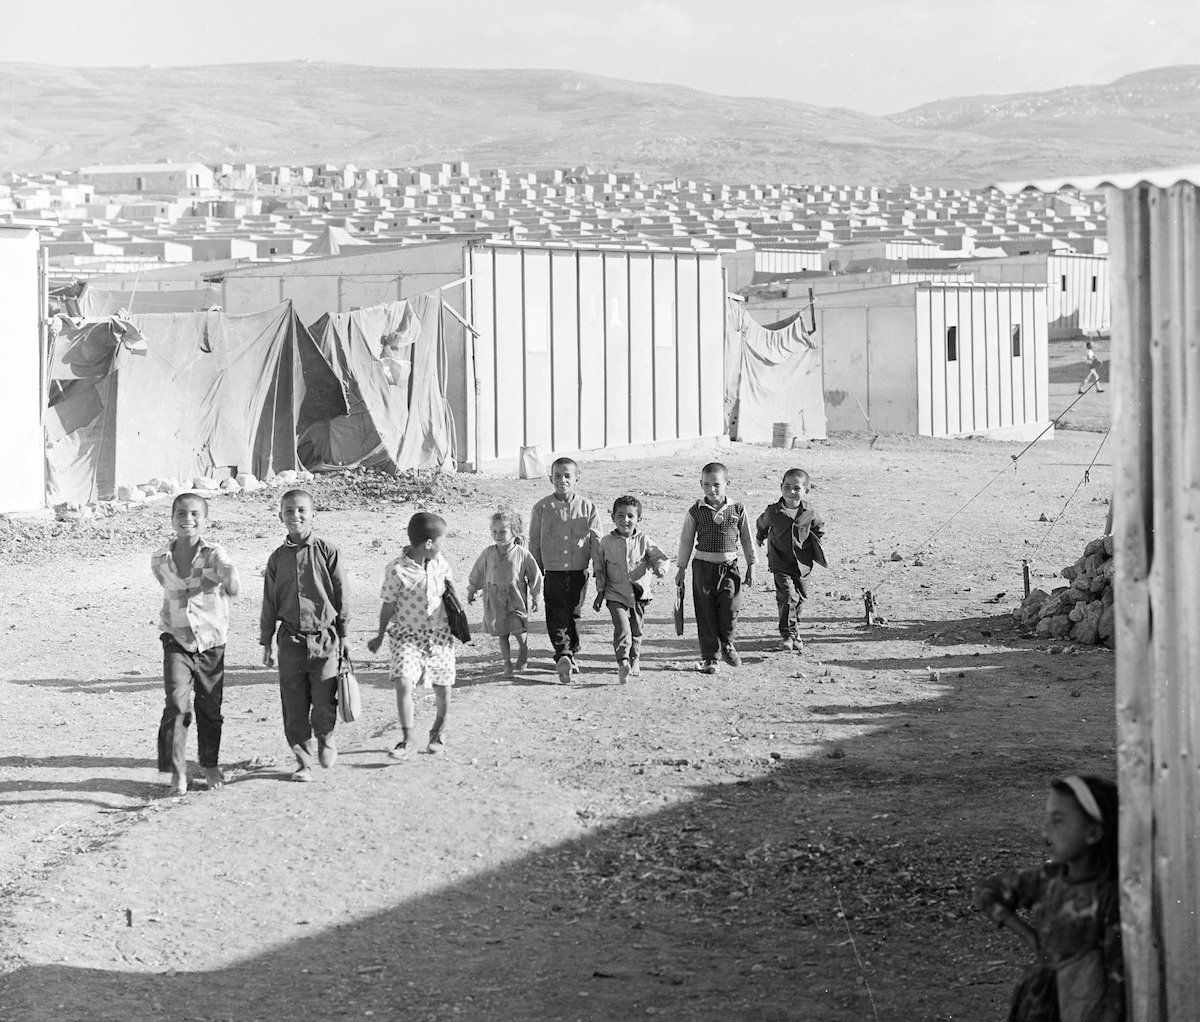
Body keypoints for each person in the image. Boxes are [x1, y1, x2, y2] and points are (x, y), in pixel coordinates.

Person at [974, 775, 1123, 1022]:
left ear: (1094, 833)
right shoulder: (1047, 880)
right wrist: (1029, 936)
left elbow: (1116, 977)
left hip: (1081, 1004)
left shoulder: (1108, 897)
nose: (1046, 833)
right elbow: (986, 893)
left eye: (1058, 821)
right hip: (1036, 1002)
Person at [151, 493, 241, 796]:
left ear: (205, 519)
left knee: (210, 708)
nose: (187, 519)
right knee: (176, 705)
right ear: (172, 518)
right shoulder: (160, 558)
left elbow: (228, 571)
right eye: (180, 514)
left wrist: (229, 579)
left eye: (194, 514)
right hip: (176, 640)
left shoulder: (214, 553)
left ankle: (210, 764)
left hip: (211, 644)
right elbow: (165, 586)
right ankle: (177, 770)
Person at [259, 489, 350, 783]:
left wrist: (345, 636)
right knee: (294, 704)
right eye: (288, 511)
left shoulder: (328, 551)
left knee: (325, 698)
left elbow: (341, 595)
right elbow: (269, 602)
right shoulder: (276, 559)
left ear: (313, 514)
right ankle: (303, 760)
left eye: (301, 510)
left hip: (325, 639)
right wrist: (266, 641)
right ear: (280, 516)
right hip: (290, 641)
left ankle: (326, 738)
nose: (294, 516)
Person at [367, 512, 457, 757]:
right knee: (404, 683)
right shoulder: (397, 570)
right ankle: (407, 739)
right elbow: (387, 605)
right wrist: (378, 635)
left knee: (444, 688)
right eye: (441, 541)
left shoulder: (440, 562)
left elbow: (450, 594)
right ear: (428, 543)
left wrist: (459, 623)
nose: (442, 547)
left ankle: (438, 731)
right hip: (406, 637)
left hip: (439, 637)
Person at [674, 462, 756, 674]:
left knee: (730, 608)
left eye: (716, 484)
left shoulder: (737, 509)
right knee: (705, 613)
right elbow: (686, 541)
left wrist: (751, 565)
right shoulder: (696, 511)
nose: (711, 489)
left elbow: (747, 539)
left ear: (727, 484)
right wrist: (681, 568)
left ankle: (727, 643)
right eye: (707, 484)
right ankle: (711, 657)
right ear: (701, 484)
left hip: (730, 568)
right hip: (703, 569)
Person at [529, 456, 602, 684]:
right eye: (557, 476)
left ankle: (572, 650)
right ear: (551, 478)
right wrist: (535, 568)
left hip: (580, 569)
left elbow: (596, 539)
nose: (562, 480)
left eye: (567, 476)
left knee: (574, 612)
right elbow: (534, 539)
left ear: (577, 478)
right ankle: (563, 653)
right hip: (553, 570)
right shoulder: (542, 507)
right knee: (556, 612)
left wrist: (598, 566)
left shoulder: (587, 507)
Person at [592, 496, 670, 683]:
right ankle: (623, 662)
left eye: (630, 516)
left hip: (639, 594)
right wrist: (600, 593)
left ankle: (635, 658)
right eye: (620, 515)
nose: (625, 520)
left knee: (636, 630)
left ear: (638, 519)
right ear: (612, 517)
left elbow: (660, 556)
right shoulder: (606, 542)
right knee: (622, 628)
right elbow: (600, 568)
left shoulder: (643, 539)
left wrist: (660, 568)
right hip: (614, 593)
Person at [755, 468, 827, 652]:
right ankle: (788, 636)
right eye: (787, 487)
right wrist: (760, 537)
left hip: (803, 564)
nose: (791, 492)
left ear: (806, 491)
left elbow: (819, 528)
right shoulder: (773, 512)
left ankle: (794, 630)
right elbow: (761, 524)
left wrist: (817, 546)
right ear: (781, 487)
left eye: (797, 488)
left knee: (800, 598)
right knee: (787, 597)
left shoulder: (809, 512)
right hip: (780, 562)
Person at [467, 508, 543, 677]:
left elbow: (534, 575)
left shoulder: (522, 554)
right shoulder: (488, 553)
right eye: (494, 531)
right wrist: (472, 589)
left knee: (518, 630)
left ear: (515, 533)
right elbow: (478, 572)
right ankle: (507, 663)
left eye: (503, 531)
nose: (497, 535)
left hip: (515, 598)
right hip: (495, 600)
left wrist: (536, 596)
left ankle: (523, 649)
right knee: (502, 633)